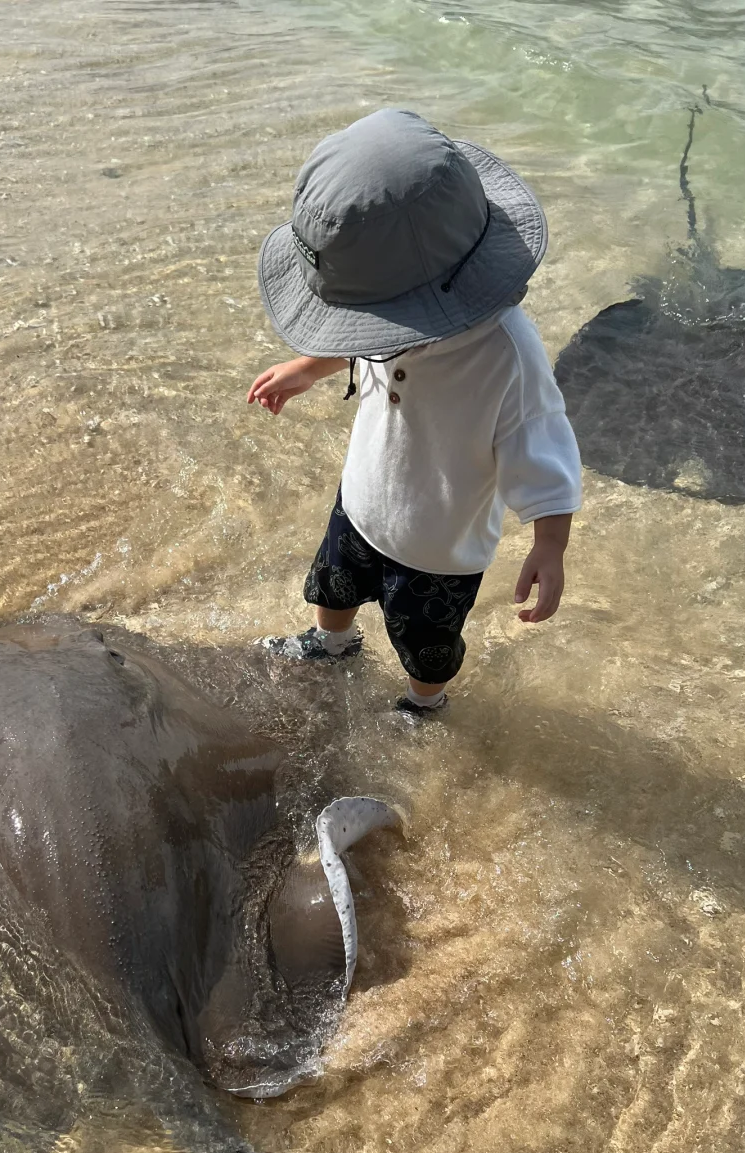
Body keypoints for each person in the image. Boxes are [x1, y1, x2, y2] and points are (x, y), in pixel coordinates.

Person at [247, 108, 581, 716]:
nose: (368, 329)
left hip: (440, 546)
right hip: (363, 501)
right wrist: (308, 367)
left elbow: (545, 448)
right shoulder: (389, 309)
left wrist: (549, 544)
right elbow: (359, 342)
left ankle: (423, 705)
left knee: (425, 642)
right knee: (333, 583)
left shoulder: (508, 356)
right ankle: (332, 645)